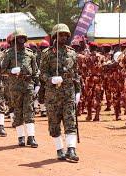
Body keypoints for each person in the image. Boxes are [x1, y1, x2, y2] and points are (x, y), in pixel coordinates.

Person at [40, 23, 80, 161]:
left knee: (70, 122)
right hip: (53, 95)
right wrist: (50, 79)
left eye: (65, 35)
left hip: (68, 93)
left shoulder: (72, 53)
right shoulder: (47, 54)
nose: (63, 37)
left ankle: (71, 149)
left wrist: (78, 91)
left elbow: (76, 74)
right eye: (60, 35)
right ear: (55, 36)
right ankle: (59, 150)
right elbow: (42, 73)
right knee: (54, 124)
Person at [1, 28, 40, 148]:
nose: (21, 41)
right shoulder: (9, 54)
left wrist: (37, 83)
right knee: (18, 111)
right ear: (14, 41)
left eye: (23, 39)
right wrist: (11, 71)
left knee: (29, 110)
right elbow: (2, 70)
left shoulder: (30, 53)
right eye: (19, 39)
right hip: (15, 86)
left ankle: (31, 137)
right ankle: (21, 137)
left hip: (28, 85)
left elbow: (35, 71)